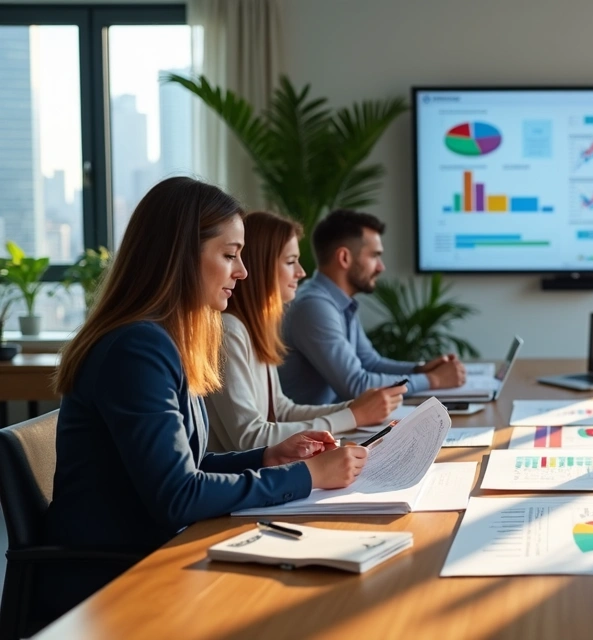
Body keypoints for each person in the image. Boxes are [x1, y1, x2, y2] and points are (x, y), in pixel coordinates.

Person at [44, 178, 367, 622]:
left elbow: (185, 467)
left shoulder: (163, 340)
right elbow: (177, 495)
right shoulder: (137, 348)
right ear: (179, 256)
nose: (243, 272)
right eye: (230, 255)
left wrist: (269, 457)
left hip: (155, 555)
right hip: (114, 587)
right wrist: (307, 476)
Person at [204, 211, 406, 451]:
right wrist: (353, 416)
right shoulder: (229, 330)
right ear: (261, 267)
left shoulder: (255, 329)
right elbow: (250, 438)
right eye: (290, 262)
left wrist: (353, 408)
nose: (301, 272)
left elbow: (281, 410)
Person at [278, 210, 466, 404]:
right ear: (344, 258)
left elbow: (370, 363)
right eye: (375, 256)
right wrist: (434, 380)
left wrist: (419, 370)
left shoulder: (337, 302)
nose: (380, 267)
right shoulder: (314, 306)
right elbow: (357, 386)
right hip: (314, 431)